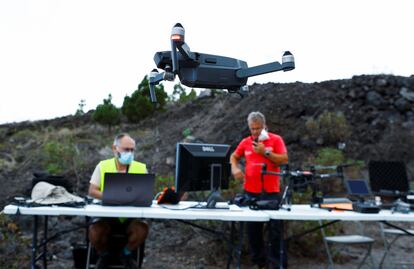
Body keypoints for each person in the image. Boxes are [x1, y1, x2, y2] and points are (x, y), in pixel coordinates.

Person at [230, 112, 288, 269]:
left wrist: (266, 152)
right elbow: (234, 156)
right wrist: (235, 168)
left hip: (270, 192)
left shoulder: (275, 139)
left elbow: (284, 159)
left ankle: (277, 264)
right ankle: (259, 263)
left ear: (264, 126)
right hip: (251, 192)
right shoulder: (245, 142)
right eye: (252, 128)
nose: (255, 132)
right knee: (253, 230)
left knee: (275, 230)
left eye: (258, 128)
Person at [88, 133, 149, 269]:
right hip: (107, 215)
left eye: (132, 150)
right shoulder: (102, 166)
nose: (130, 153)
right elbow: (92, 191)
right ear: (115, 148)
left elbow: (145, 192)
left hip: (130, 217)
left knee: (142, 229)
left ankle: (126, 254)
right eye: (126, 149)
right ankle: (104, 255)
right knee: (95, 231)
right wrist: (112, 197)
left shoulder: (141, 168)